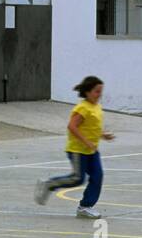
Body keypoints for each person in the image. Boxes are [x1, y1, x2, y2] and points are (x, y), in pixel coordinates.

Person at [36, 76, 115, 218]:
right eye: (97, 91)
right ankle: (49, 184)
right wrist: (86, 142)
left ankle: (85, 207)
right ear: (87, 92)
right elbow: (72, 126)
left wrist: (103, 135)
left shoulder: (96, 106)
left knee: (98, 176)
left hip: (91, 150)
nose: (99, 94)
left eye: (100, 91)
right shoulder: (82, 108)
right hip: (78, 150)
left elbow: (91, 128)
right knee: (78, 178)